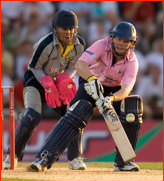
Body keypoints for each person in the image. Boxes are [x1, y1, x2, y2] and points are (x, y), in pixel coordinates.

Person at [29, 21, 143, 172]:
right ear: (112, 38)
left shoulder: (132, 61)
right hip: (90, 81)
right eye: (119, 39)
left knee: (133, 107)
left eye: (126, 41)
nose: (122, 44)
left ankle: (123, 162)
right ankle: (47, 157)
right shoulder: (101, 44)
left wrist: (111, 99)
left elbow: (126, 90)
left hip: (114, 90)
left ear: (132, 43)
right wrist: (92, 80)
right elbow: (80, 65)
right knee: (77, 112)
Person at [3, 10, 87, 170]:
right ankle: (12, 156)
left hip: (58, 84)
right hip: (36, 80)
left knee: (73, 115)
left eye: (71, 29)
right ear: (55, 28)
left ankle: (75, 158)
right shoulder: (45, 43)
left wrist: (65, 79)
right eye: (64, 29)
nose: (69, 33)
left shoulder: (79, 44)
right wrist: (46, 82)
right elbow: (34, 67)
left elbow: (72, 67)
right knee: (32, 115)